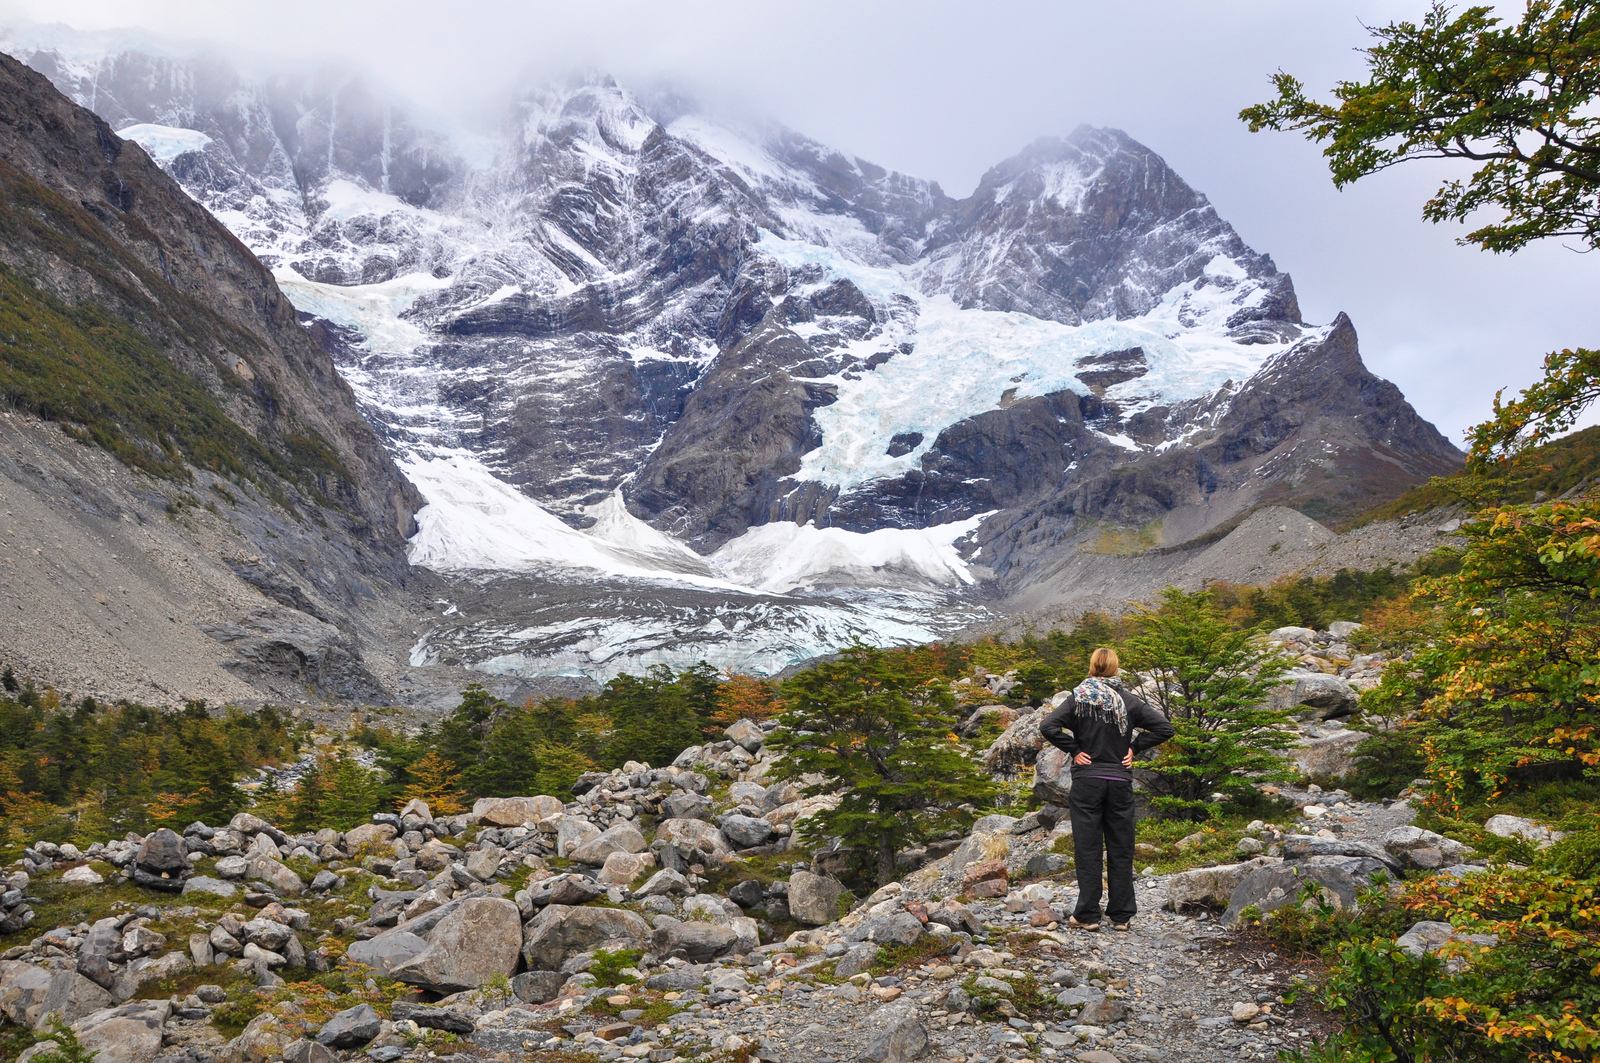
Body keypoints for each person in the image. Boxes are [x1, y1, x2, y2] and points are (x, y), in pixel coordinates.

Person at [1039, 647, 1174, 931]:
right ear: (1115, 668)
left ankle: (1087, 915)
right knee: (1120, 847)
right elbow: (1164, 728)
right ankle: (1121, 915)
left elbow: (1049, 726)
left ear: (1092, 667)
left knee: (1088, 849)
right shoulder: (1129, 701)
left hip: (1088, 781)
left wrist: (1074, 749)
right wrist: (1133, 748)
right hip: (1119, 782)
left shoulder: (1079, 698)